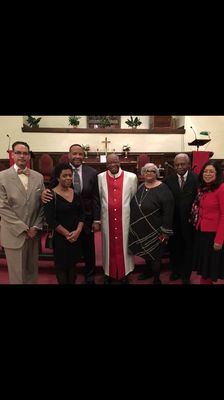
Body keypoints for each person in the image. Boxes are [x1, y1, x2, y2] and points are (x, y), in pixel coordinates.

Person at [41, 144, 101, 284]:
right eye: (74, 154)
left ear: (83, 156)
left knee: (89, 249)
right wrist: (44, 193)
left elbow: (95, 197)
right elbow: (51, 189)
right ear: (69, 155)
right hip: (66, 218)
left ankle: (90, 275)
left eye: (80, 154)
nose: (77, 157)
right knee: (69, 251)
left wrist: (97, 219)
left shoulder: (92, 172)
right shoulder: (60, 171)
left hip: (86, 217)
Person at [0, 141, 44, 284]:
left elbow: (42, 204)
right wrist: (24, 228)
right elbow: (3, 207)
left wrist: (36, 227)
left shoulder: (38, 177)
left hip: (33, 233)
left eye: (25, 153)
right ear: (12, 155)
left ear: (29, 156)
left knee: (32, 273)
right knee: (17, 276)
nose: (22, 156)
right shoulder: (2, 177)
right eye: (18, 153)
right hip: (14, 233)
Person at [128, 163, 174, 284]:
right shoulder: (141, 186)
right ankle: (148, 272)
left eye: (152, 171)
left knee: (155, 255)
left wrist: (165, 230)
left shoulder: (163, 188)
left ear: (157, 174)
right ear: (143, 173)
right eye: (146, 171)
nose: (149, 173)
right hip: (141, 228)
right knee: (146, 253)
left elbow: (168, 211)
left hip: (156, 229)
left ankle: (156, 279)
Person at [98, 153, 138, 284]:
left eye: (115, 162)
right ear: (106, 164)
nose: (112, 165)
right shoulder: (100, 178)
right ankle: (108, 273)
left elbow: (134, 199)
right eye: (109, 163)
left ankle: (125, 273)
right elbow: (99, 198)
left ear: (119, 162)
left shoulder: (131, 177)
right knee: (108, 246)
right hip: (107, 220)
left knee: (125, 246)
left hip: (125, 220)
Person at [44, 163, 85, 284]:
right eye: (64, 176)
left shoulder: (75, 192)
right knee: (62, 267)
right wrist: (68, 234)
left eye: (70, 175)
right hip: (61, 238)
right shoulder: (50, 195)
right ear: (57, 177)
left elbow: (82, 214)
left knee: (73, 266)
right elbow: (50, 220)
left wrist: (77, 231)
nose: (68, 178)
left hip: (75, 236)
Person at [163, 153, 198, 284]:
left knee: (188, 248)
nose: (180, 167)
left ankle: (186, 274)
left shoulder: (196, 179)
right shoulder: (168, 180)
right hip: (174, 222)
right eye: (177, 164)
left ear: (188, 164)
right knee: (174, 247)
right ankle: (175, 271)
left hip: (189, 223)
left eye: (183, 164)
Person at [190, 160, 224, 284]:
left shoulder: (221, 188)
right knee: (205, 268)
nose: (207, 174)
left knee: (210, 268)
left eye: (211, 171)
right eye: (205, 171)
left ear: (217, 174)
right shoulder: (203, 188)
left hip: (213, 235)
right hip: (201, 232)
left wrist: (219, 240)